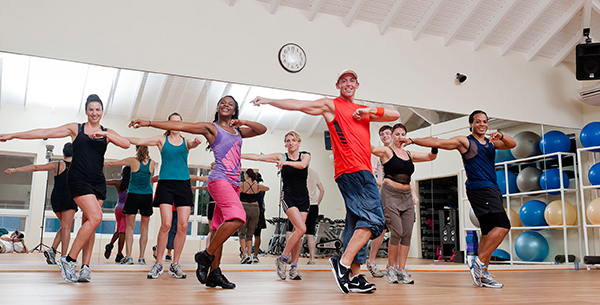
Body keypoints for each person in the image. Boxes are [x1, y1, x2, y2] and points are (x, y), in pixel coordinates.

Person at [250, 70, 400, 293]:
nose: (348, 84)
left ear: (358, 84)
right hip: (353, 171)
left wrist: (368, 110)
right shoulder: (332, 106)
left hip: (363, 171)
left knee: (355, 225)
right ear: (338, 84)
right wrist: (270, 100)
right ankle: (342, 265)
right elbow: (299, 104)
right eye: (343, 81)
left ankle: (354, 277)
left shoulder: (362, 111)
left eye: (352, 81)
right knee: (375, 221)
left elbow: (394, 114)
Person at [130, 95, 266, 289]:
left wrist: (244, 122)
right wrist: (149, 122)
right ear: (218, 108)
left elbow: (262, 129)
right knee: (238, 217)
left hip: (234, 184)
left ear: (235, 111)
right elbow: (181, 126)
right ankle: (206, 256)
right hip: (220, 180)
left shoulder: (238, 131)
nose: (225, 105)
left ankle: (215, 273)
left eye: (230, 104)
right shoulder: (211, 128)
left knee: (218, 227)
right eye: (222, 103)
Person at [0, 94, 130, 282]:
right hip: (78, 179)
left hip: (98, 182)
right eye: (91, 109)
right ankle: (69, 259)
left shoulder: (106, 132)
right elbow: (45, 131)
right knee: (96, 217)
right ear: (86, 111)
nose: (94, 113)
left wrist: (106, 134)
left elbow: (126, 144)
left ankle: (85, 268)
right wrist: (13, 135)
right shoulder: (75, 128)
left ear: (102, 112)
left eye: (98, 109)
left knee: (90, 223)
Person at [401, 110, 516, 289]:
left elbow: (512, 143)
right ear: (471, 124)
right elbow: (439, 142)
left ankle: (482, 275)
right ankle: (479, 264)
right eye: (478, 121)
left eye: (485, 121)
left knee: (487, 232)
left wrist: (500, 135)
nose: (482, 124)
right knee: (503, 226)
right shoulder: (465, 141)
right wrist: (413, 140)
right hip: (481, 189)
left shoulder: (491, 143)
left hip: (491, 189)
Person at [127, 112, 202, 279]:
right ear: (168, 124)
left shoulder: (185, 141)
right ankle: (158, 263)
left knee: (183, 226)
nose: (175, 125)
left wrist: (195, 143)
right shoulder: (161, 140)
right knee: (166, 224)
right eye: (172, 122)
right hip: (166, 184)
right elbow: (139, 141)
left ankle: (175, 264)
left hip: (183, 184)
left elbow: (192, 144)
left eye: (178, 122)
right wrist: (114, 136)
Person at [372, 123, 437, 284]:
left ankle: (402, 269)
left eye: (403, 134)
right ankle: (390, 268)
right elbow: (370, 148)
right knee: (397, 231)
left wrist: (435, 145)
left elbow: (431, 157)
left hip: (406, 196)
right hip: (390, 195)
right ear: (392, 136)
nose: (400, 137)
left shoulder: (409, 153)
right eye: (397, 134)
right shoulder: (387, 151)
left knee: (407, 233)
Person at [242, 131, 311, 280]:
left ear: (299, 142)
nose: (291, 143)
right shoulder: (281, 156)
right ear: (285, 143)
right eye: (288, 141)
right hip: (289, 197)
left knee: (298, 233)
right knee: (301, 228)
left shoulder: (305, 155)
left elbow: (302, 165)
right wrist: (239, 155)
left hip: (304, 198)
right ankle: (283, 259)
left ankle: (294, 268)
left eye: (293, 140)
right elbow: (259, 157)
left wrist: (285, 164)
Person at [4, 142, 77, 264]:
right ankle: (64, 258)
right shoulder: (77, 166)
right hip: (69, 197)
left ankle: (53, 250)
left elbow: (36, 167)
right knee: (66, 228)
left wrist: (15, 170)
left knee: (64, 226)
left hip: (56, 197)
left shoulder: (57, 165)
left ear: (63, 153)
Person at [106, 145, 158, 266]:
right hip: (147, 196)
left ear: (136, 149)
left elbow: (112, 164)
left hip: (134, 195)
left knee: (129, 228)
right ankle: (141, 258)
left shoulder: (132, 161)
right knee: (144, 229)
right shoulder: (152, 163)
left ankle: (129, 257)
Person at [366, 125, 392, 278]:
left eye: (387, 133)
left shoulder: (400, 153)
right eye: (382, 134)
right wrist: (384, 184)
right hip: (384, 192)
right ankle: (372, 261)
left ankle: (394, 266)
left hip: (400, 193)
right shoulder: (378, 153)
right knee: (381, 229)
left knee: (398, 231)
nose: (385, 136)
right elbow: (371, 173)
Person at [238, 168, 270, 264]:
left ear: (247, 175)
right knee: (250, 234)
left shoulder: (242, 185)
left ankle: (244, 254)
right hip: (255, 210)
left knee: (242, 233)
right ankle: (250, 255)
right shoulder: (257, 186)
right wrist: (258, 186)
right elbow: (267, 188)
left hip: (244, 208)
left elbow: (233, 189)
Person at [104, 166, 131, 264]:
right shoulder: (132, 184)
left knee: (119, 229)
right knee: (123, 232)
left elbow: (105, 181)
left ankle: (110, 245)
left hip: (118, 208)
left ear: (122, 173)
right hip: (126, 209)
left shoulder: (117, 182)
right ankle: (119, 254)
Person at [305, 167, 324, 265]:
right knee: (310, 233)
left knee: (296, 231)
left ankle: (290, 257)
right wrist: (317, 203)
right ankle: (311, 258)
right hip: (313, 205)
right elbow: (322, 190)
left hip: (302, 205)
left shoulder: (299, 172)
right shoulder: (314, 173)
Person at [252, 172, 267, 263]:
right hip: (260, 211)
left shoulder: (250, 187)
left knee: (249, 234)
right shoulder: (262, 188)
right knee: (257, 235)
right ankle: (255, 255)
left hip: (253, 211)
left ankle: (248, 254)